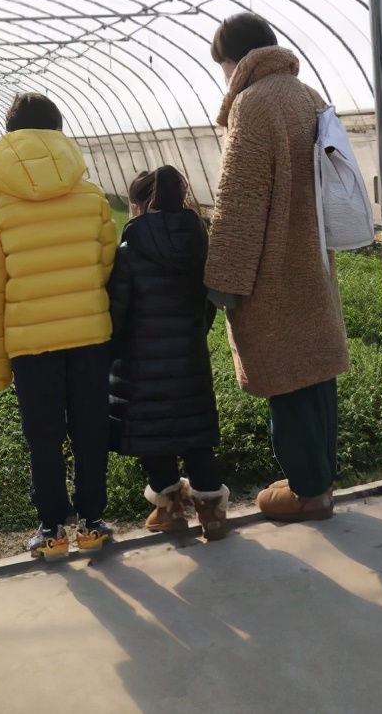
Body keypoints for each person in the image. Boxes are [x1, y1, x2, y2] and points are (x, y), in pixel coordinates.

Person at [204, 12, 349, 523]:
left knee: (285, 380)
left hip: (275, 269)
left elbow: (239, 200)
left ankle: (310, 494)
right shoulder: (307, 95)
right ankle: (319, 480)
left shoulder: (252, 104)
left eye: (221, 63)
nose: (223, 75)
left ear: (234, 60)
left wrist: (223, 281)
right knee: (316, 374)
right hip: (313, 259)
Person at [0, 92, 117, 560]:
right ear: (58, 132)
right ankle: (93, 523)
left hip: (31, 344)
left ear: (10, 135)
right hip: (90, 336)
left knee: (43, 436)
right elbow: (105, 268)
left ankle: (52, 530)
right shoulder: (93, 196)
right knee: (91, 429)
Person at [107, 166, 229, 541]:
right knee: (196, 438)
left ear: (139, 205)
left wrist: (113, 350)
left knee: (154, 440)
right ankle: (212, 513)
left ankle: (171, 509)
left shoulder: (129, 251)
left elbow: (116, 312)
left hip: (140, 367)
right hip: (190, 360)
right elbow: (208, 303)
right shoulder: (199, 243)